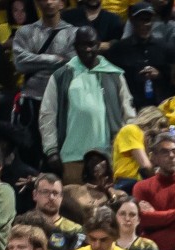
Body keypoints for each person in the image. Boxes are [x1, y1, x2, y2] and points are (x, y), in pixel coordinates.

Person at [40, 26, 135, 186]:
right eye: (82, 45)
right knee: (74, 200)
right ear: (75, 47)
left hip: (108, 158)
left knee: (108, 200)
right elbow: (47, 114)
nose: (87, 49)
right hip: (71, 158)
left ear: (98, 45)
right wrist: (51, 149)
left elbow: (129, 114)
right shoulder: (61, 76)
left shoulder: (115, 74)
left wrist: (130, 147)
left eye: (91, 44)